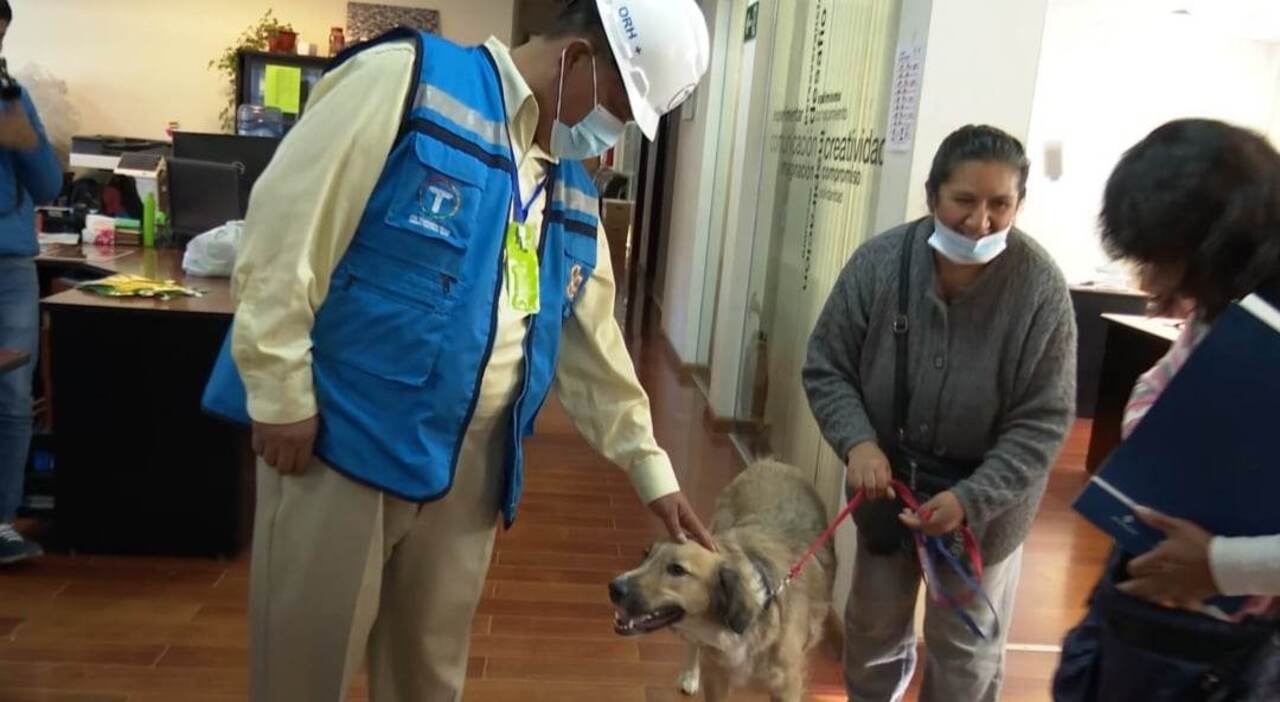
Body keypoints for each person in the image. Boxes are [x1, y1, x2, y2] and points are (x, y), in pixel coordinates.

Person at [200, 1, 715, 699]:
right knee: (304, 670)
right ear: (576, 61)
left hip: (470, 467)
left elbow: (593, 344)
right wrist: (279, 392)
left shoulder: (569, 187)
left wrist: (652, 471)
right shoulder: (406, 82)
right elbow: (284, 236)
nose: (611, 135)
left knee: (429, 673)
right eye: (618, 109)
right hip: (341, 439)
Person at [804, 125, 1077, 702]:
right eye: (964, 202)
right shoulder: (880, 264)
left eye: (1000, 205)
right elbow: (827, 365)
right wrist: (858, 443)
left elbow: (1044, 421)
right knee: (873, 630)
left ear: (1018, 205)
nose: (980, 222)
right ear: (933, 196)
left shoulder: (1041, 290)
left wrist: (971, 500)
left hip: (986, 507)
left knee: (965, 649)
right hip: (889, 492)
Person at [1053, 119, 1280, 702]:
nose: (1153, 284)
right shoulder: (1226, 309)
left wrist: (1223, 565)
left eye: (1163, 260)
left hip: (1226, 638)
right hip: (1147, 607)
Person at [0, 0, 62, 565]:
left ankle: (2, 522)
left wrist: (26, 141)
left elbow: (47, 186)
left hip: (11, 264)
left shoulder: (12, 97)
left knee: (15, 400)